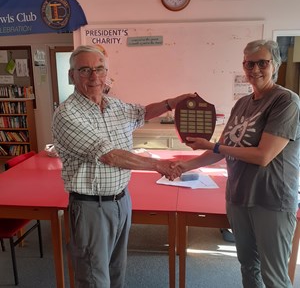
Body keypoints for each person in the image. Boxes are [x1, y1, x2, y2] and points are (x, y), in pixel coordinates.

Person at [51, 44, 192, 288]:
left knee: (117, 271)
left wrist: (173, 102)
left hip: (121, 202)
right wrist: (160, 166)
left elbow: (142, 113)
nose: (94, 76)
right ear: (71, 75)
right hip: (90, 207)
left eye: (99, 69)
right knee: (95, 278)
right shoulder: (67, 114)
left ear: (107, 73)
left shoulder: (114, 105)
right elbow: (110, 156)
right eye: (84, 70)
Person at [170, 40, 300, 287]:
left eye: (262, 62)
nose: (255, 69)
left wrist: (213, 146)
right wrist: (184, 165)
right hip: (239, 197)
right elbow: (222, 151)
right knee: (248, 266)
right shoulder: (242, 104)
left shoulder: (286, 102)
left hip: (271, 200)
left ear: (275, 64)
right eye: (249, 63)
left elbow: (263, 155)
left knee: (274, 276)